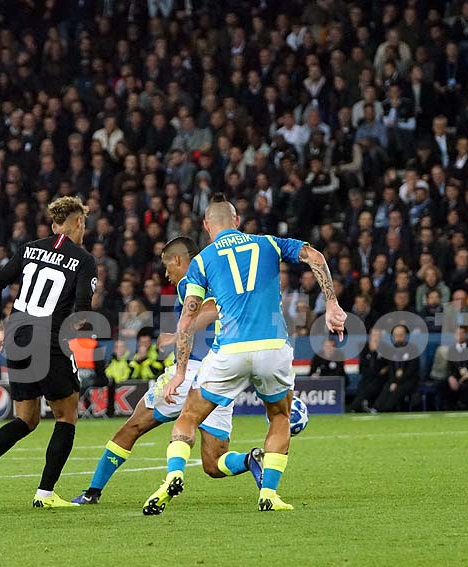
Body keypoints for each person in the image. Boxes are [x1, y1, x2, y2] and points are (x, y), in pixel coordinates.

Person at [144, 194, 346, 514]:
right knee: (279, 417)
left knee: (189, 416)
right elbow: (315, 256)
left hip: (229, 351)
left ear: (206, 225)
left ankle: (173, 476)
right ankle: (269, 494)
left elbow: (186, 321)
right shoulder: (269, 243)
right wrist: (332, 304)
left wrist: (180, 373)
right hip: (272, 348)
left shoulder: (202, 261)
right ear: (237, 221)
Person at [71, 236, 264, 505]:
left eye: (167, 266)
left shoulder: (190, 281)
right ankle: (249, 460)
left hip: (189, 372)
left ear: (178, 260)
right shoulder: (221, 280)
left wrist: (178, 334)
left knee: (131, 428)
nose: (166, 274)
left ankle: (93, 492)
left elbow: (210, 309)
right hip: (219, 376)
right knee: (213, 463)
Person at [0, 196, 98, 509]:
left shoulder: (29, 248)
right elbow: (81, 312)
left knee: (27, 418)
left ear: (55, 224)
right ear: (79, 222)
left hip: (17, 336)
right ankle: (45, 494)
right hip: (49, 339)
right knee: (66, 415)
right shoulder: (84, 259)